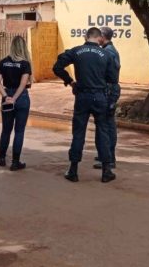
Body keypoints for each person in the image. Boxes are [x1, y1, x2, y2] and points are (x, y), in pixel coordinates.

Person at [53, 27, 118, 183]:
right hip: (100, 96)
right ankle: (106, 171)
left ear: (86, 36)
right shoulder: (106, 54)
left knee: (78, 132)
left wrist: (70, 81)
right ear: (99, 37)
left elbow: (57, 67)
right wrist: (109, 96)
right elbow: (113, 79)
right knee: (102, 132)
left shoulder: (76, 51)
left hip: (82, 96)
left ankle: (73, 170)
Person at [0, 36, 32, 171]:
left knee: (6, 129)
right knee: (19, 131)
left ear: (12, 46)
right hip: (21, 97)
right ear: (23, 47)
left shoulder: (3, 62)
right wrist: (15, 98)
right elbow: (23, 83)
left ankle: (2, 158)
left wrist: (6, 97)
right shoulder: (25, 64)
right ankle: (15, 162)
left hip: (7, 96)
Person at [94, 27, 121, 170]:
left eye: (98, 36)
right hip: (109, 89)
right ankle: (104, 154)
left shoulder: (109, 52)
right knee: (103, 123)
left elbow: (111, 72)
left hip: (109, 90)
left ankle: (109, 159)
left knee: (107, 125)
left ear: (103, 37)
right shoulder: (108, 50)